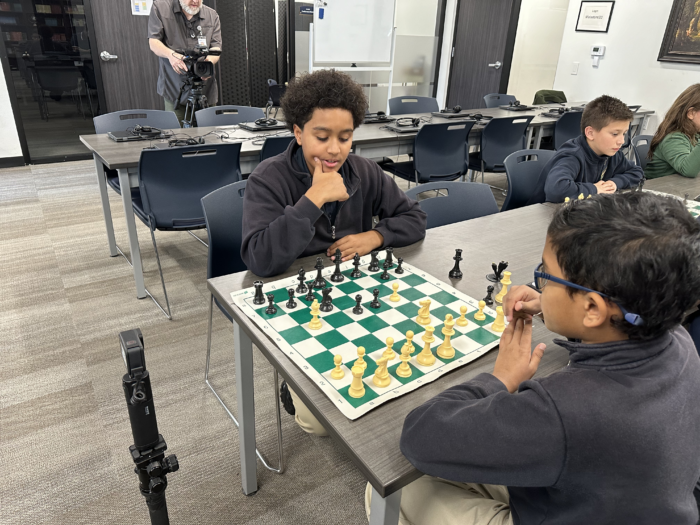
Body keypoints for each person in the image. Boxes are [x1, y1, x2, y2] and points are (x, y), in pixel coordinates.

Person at [365, 192, 700, 524]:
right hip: (632, 504)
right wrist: (553, 306)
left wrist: (500, 379)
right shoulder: (678, 340)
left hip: (563, 502)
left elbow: (421, 436)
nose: (539, 280)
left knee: (390, 489)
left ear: (593, 309)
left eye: (546, 274)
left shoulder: (562, 410)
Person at [241, 69, 427, 435]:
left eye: (345, 138)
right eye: (321, 137)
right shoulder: (268, 178)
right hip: (296, 303)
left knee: (400, 371)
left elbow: (415, 217)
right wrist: (313, 199)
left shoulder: (364, 171)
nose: (334, 150)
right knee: (322, 421)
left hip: (354, 293)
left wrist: (375, 237)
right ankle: (293, 386)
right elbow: (260, 258)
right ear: (297, 132)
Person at [527, 95, 643, 204]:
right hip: (543, 214)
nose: (621, 141)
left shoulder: (612, 153)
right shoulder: (572, 155)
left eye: (624, 133)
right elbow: (557, 191)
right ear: (590, 133)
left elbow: (637, 172)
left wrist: (615, 183)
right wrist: (595, 189)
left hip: (580, 209)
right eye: (615, 134)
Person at [148, 0, 221, 125]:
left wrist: (208, 62)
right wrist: (172, 56)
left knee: (210, 134)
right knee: (177, 137)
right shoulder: (160, 8)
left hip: (205, 89)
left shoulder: (212, 15)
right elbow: (154, 42)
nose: (195, 1)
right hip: (174, 88)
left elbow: (216, 47)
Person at [645, 84, 700, 179]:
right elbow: (688, 170)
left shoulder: (695, 135)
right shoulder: (673, 137)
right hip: (659, 190)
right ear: (691, 113)